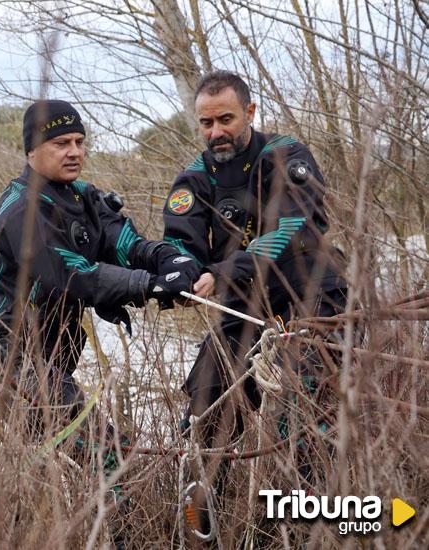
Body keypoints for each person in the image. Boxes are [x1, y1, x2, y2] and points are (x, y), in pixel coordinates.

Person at [162, 70, 348, 539]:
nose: (216, 132)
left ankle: (313, 527)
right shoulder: (193, 179)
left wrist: (224, 271)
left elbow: (290, 230)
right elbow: (180, 244)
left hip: (312, 299)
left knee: (305, 411)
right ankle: (200, 525)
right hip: (244, 311)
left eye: (225, 119)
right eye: (206, 123)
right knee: (205, 403)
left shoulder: (286, 155)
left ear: (249, 113)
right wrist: (181, 275)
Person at [0, 99, 200, 470]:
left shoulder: (85, 197)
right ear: (31, 150)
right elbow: (72, 274)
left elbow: (125, 244)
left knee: (62, 458)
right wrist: (150, 286)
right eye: (61, 144)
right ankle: (117, 527)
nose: (74, 151)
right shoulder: (21, 210)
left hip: (54, 347)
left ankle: (67, 518)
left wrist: (171, 260)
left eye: (79, 141)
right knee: (107, 453)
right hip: (6, 350)